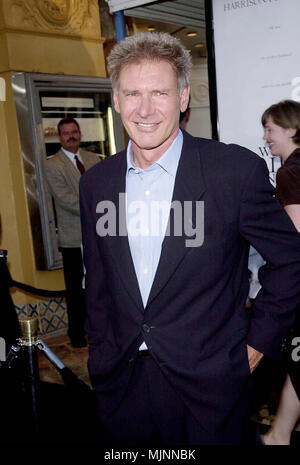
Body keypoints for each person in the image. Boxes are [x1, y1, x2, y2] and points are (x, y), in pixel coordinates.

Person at [79, 32, 300, 445]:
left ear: (183, 98)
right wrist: (100, 350)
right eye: (132, 94)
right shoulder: (97, 183)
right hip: (121, 384)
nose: (144, 109)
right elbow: (100, 280)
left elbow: (291, 260)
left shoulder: (231, 172)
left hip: (209, 387)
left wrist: (257, 344)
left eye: (159, 93)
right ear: (115, 99)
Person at [260, 100, 300, 445]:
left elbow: (294, 238)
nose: (266, 136)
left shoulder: (289, 172)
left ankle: (279, 434)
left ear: (290, 129)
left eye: (270, 128)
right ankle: (280, 433)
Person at [45, 117, 100, 348]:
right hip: (72, 239)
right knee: (76, 291)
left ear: (80, 134)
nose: (71, 136)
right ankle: (76, 335)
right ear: (60, 137)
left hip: (98, 236)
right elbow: (65, 199)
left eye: (74, 132)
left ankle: (98, 329)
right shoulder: (52, 165)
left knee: (98, 285)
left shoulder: (93, 159)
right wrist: (100, 208)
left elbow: (105, 188)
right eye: (66, 133)